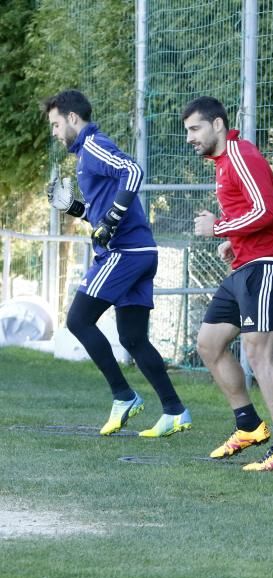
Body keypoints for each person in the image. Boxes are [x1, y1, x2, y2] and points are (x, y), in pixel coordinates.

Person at [44, 90, 192, 438]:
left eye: (55, 124)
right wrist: (77, 209)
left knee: (78, 320)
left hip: (125, 253)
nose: (54, 132)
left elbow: (133, 171)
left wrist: (110, 220)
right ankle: (175, 410)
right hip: (138, 252)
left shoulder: (93, 145)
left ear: (72, 119)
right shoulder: (85, 154)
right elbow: (104, 208)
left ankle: (124, 396)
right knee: (133, 338)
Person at [182, 96, 273, 472]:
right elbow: (250, 212)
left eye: (195, 128)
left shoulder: (239, 154)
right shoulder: (221, 164)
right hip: (245, 265)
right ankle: (249, 426)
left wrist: (218, 227)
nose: (190, 138)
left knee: (258, 353)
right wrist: (230, 241)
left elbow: (267, 210)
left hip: (268, 266)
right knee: (209, 343)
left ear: (218, 125)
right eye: (187, 131)